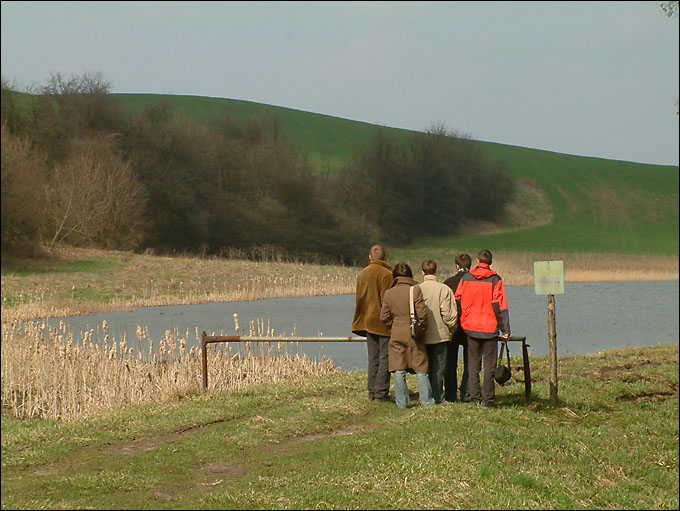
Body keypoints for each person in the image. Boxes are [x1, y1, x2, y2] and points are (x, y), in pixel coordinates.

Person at [454, 249, 510, 408]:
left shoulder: (466, 278)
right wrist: (505, 329)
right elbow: (501, 306)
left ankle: (474, 399)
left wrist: (464, 318)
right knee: (489, 368)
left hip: (471, 327)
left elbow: (458, 300)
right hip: (490, 328)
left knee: (473, 366)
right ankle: (488, 401)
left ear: (478, 261)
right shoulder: (495, 280)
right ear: (490, 263)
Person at [380, 262, 435, 409]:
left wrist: (394, 323)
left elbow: (384, 316)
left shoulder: (388, 293)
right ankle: (426, 401)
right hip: (413, 333)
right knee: (421, 368)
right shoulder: (414, 290)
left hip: (397, 332)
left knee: (398, 368)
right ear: (409, 275)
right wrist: (422, 328)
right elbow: (422, 315)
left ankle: (402, 403)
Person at [352, 245, 394, 402]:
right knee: (385, 358)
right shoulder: (386, 275)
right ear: (384, 258)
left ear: (370, 257)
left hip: (367, 321)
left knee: (373, 358)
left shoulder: (362, 274)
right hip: (382, 322)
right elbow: (387, 301)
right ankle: (381, 392)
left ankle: (372, 391)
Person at [418, 258, 458, 404]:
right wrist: (452, 329)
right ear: (436, 271)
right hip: (441, 335)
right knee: (439, 369)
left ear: (422, 272)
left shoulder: (417, 289)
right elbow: (449, 315)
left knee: (425, 369)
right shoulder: (444, 289)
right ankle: (438, 397)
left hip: (423, 336)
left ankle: (426, 397)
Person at [443, 253, 472, 403]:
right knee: (470, 363)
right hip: (470, 327)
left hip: (452, 327)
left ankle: (450, 395)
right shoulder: (474, 282)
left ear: (456, 266)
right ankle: (467, 394)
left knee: (450, 363)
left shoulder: (448, 283)